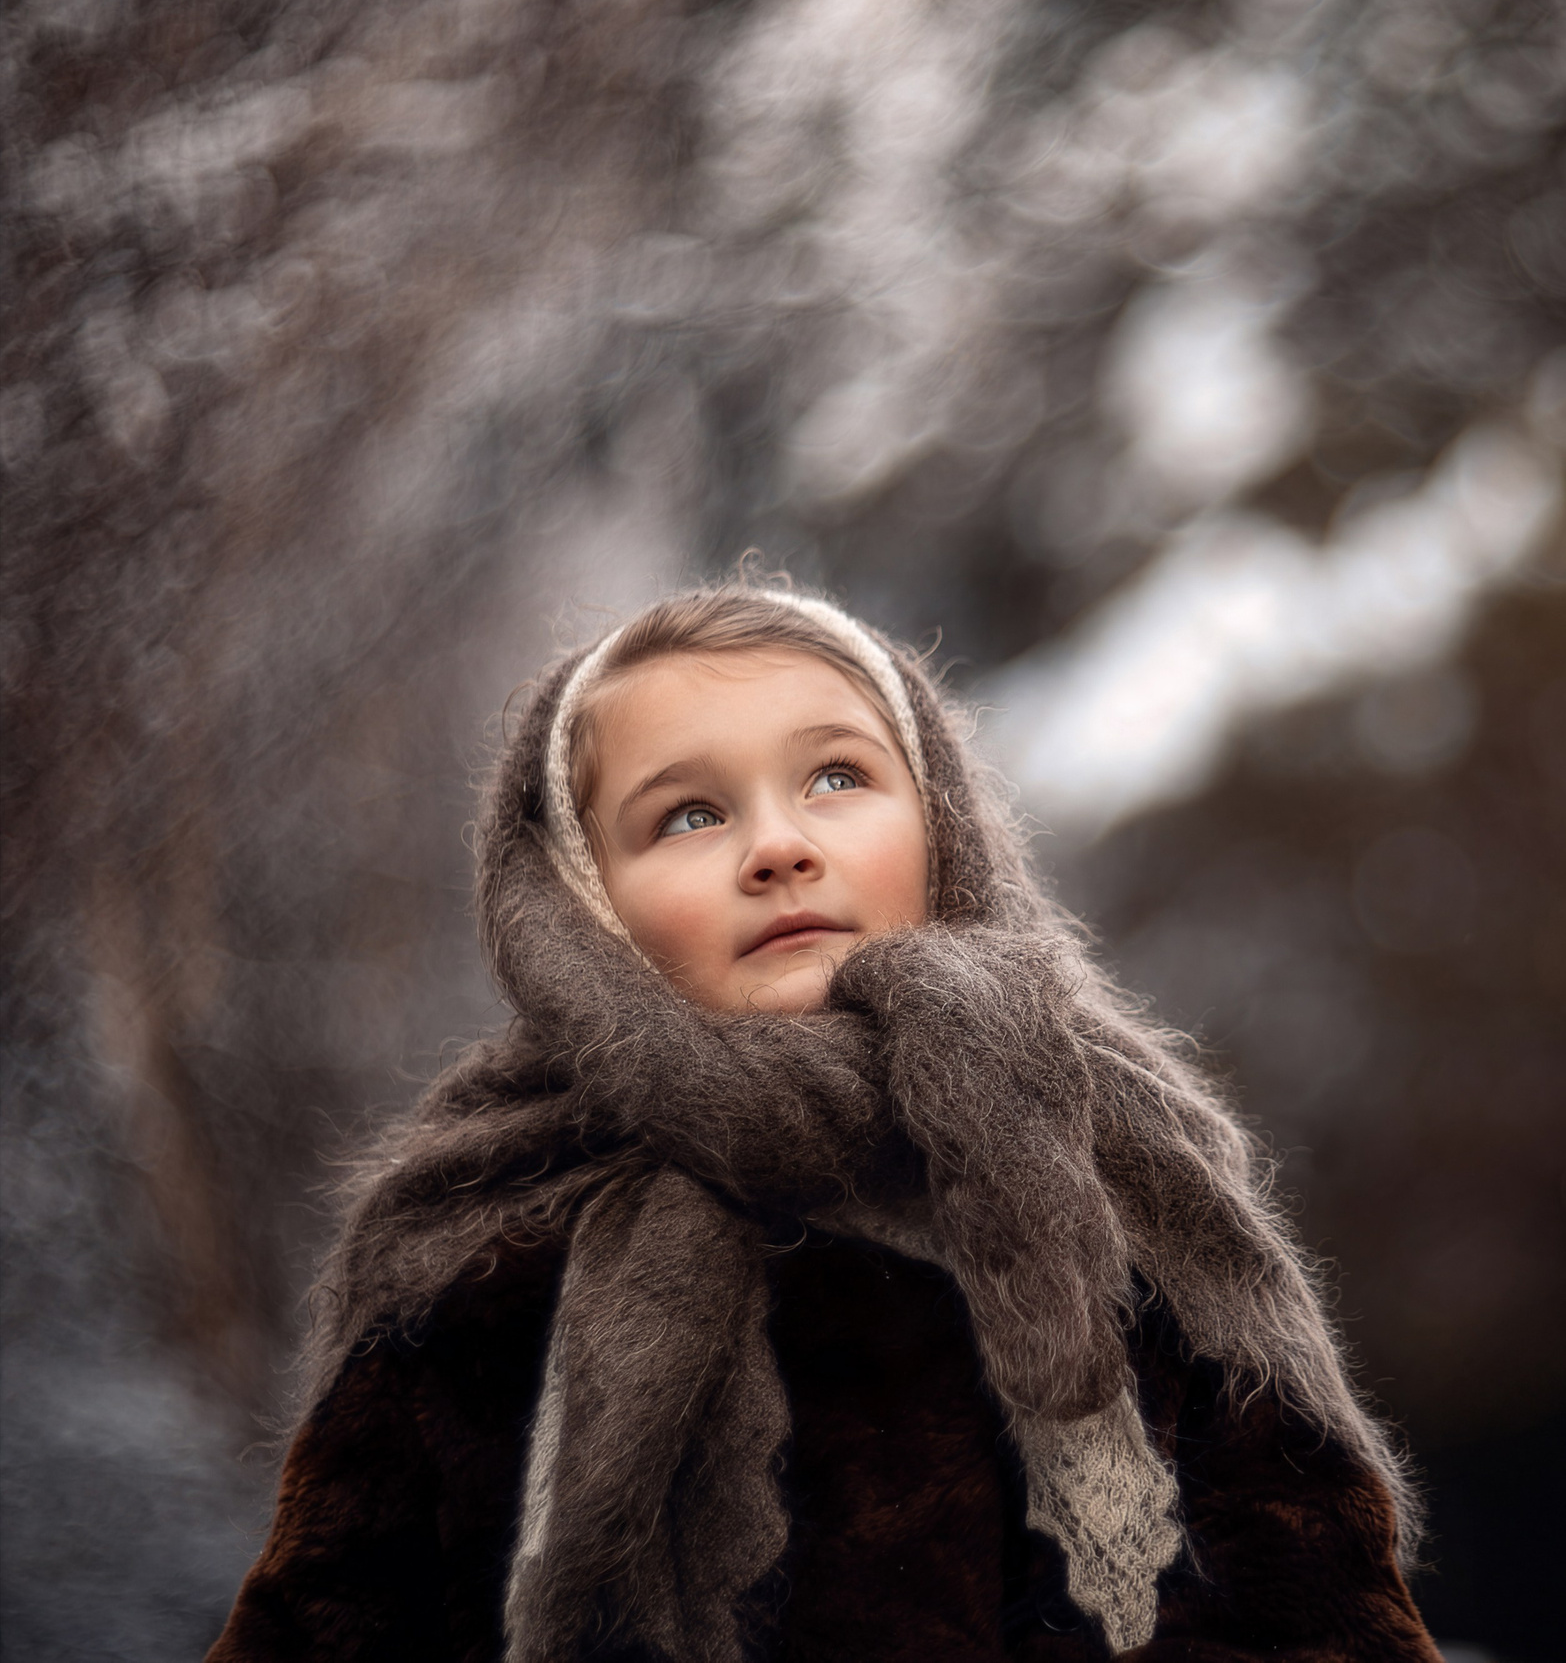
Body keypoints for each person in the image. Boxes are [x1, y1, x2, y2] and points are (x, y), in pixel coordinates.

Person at [207, 585, 1440, 1662]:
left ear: (942, 825)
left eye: (837, 776)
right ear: (577, 910)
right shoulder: (483, 1240)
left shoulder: (1120, 1175)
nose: (780, 846)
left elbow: (1310, 1612)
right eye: (688, 814)